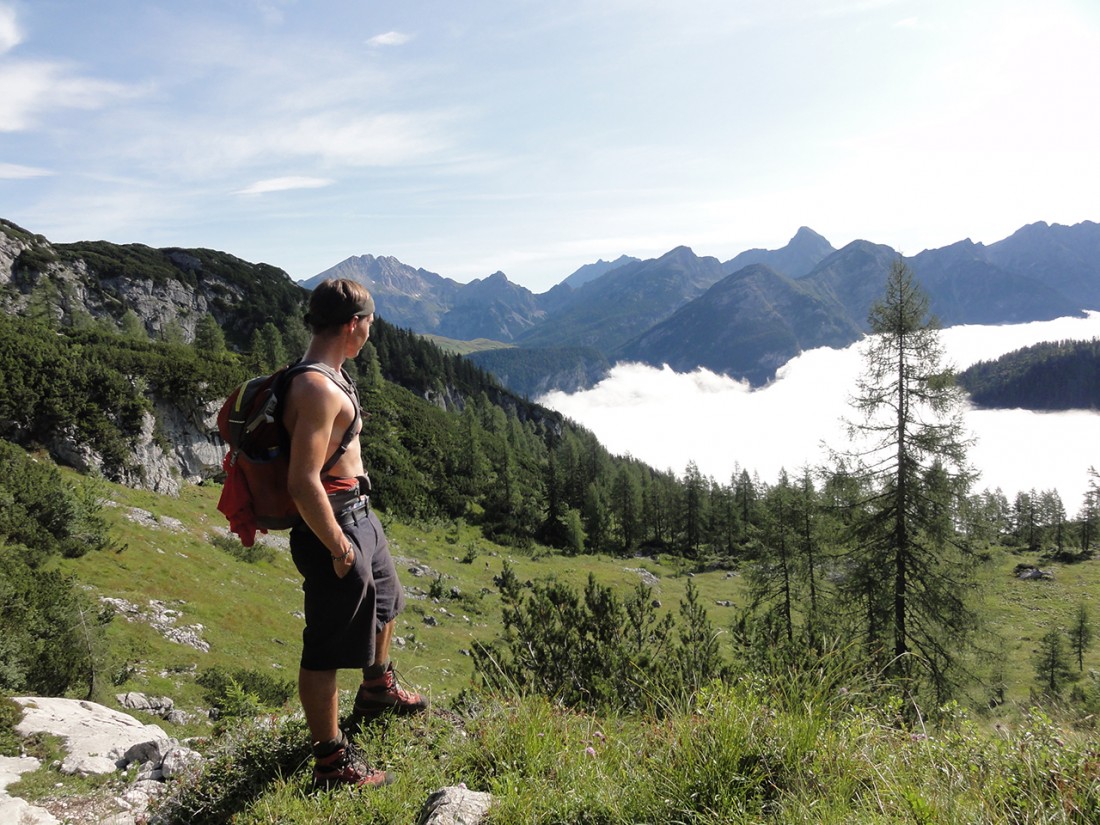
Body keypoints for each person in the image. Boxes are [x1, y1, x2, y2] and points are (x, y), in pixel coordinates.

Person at [282, 278, 426, 790]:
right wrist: (338, 545)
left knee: (387, 600)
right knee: (325, 644)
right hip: (335, 520)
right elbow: (302, 480)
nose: (371, 333)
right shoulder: (316, 387)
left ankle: (377, 690)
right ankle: (330, 762)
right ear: (353, 324)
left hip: (358, 511)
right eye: (369, 323)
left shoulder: (333, 376)